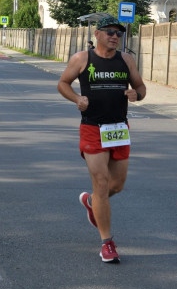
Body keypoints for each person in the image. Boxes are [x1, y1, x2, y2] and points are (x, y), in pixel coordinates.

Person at [58, 15, 146, 264]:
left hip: (119, 128)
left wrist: (135, 94)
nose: (115, 36)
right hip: (92, 128)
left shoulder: (126, 60)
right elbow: (63, 83)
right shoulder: (82, 59)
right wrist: (77, 99)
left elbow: (141, 87)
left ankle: (90, 201)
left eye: (118, 33)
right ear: (97, 34)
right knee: (101, 181)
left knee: (115, 186)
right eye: (109, 32)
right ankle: (107, 243)